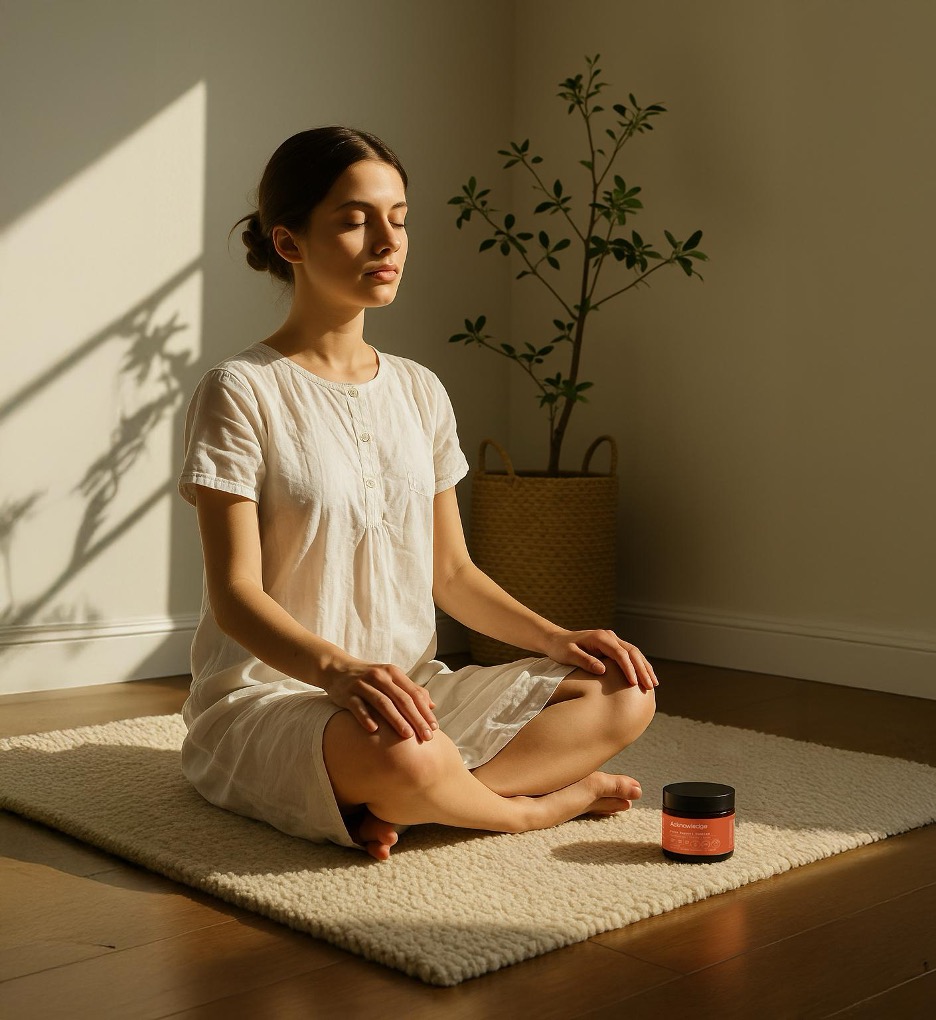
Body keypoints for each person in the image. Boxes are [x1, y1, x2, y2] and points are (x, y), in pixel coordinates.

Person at [177, 126, 658, 862]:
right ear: (289, 242)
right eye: (353, 219)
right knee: (405, 754)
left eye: (398, 218)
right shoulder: (240, 391)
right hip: (278, 699)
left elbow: (452, 575)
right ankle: (526, 809)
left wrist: (558, 639)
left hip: (415, 694)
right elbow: (236, 594)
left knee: (625, 692)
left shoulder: (419, 390)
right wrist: (337, 671)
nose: (387, 240)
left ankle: (422, 800)